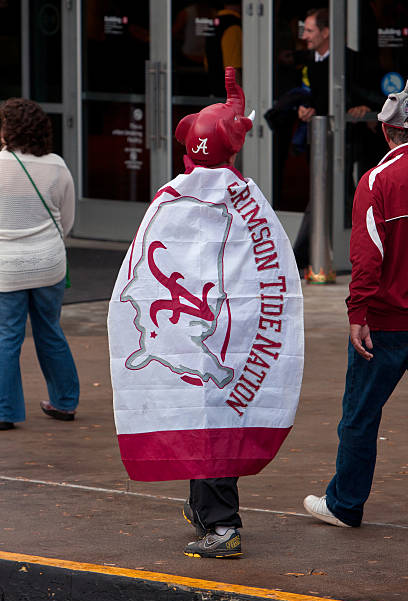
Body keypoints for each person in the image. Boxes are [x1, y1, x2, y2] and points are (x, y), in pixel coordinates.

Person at [108, 68, 303, 559]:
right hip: (227, 337)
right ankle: (203, 510)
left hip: (188, 335)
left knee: (210, 420)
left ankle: (223, 526)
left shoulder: (170, 198)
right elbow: (273, 278)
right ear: (233, 149)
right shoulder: (247, 200)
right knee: (216, 416)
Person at [303, 80, 408, 527]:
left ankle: (345, 504)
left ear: (387, 132)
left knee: (360, 418)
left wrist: (357, 313)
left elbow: (367, 256)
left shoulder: (378, 180)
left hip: (384, 324)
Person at [0, 98, 79, 430]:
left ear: (10, 129)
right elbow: (68, 220)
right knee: (50, 332)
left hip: (6, 268)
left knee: (7, 336)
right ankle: (64, 402)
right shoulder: (57, 166)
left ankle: (5, 412)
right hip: (49, 264)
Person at [293, 7, 373, 270]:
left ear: (326, 32)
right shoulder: (307, 60)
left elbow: (368, 94)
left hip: (346, 141)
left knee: (340, 197)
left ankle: (303, 257)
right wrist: (304, 109)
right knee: (325, 198)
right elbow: (305, 95)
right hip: (317, 140)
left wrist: (363, 109)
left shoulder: (353, 61)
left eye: (309, 30)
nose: (304, 35)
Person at [205, 3, 242, 95]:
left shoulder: (212, 25)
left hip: (214, 90)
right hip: (227, 95)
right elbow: (233, 68)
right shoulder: (233, 25)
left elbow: (207, 62)